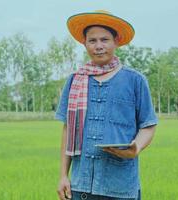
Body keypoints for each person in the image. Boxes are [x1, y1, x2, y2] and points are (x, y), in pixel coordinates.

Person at [55, 10, 158, 200]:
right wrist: (63, 175)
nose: (99, 46)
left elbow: (148, 125)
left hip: (120, 186)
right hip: (81, 185)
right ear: (84, 43)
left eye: (105, 39)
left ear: (116, 41)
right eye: (92, 41)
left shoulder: (135, 80)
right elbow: (68, 130)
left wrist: (135, 148)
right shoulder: (75, 81)